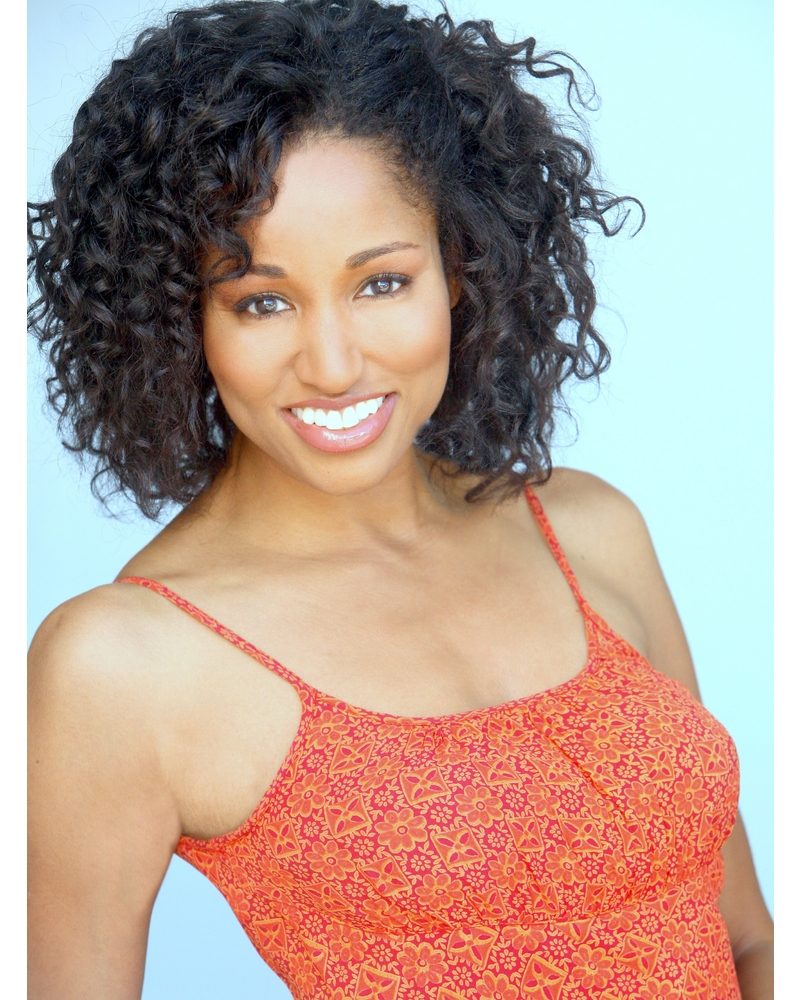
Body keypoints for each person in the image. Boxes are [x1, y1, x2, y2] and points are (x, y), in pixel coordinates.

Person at [27, 0, 773, 997]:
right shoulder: (124, 663)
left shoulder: (591, 532)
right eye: (261, 300)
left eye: (380, 283)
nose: (333, 364)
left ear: (459, 269)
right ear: (180, 319)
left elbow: (748, 940)